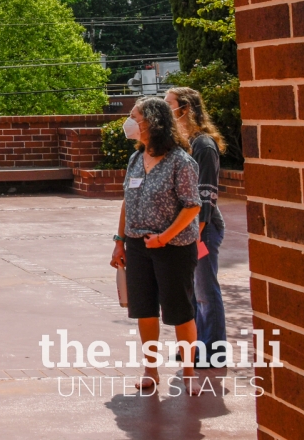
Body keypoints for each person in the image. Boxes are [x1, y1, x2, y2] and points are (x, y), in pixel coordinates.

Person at [109, 97, 203, 390]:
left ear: (151, 121)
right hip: (138, 246)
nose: (129, 121)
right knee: (144, 310)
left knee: (180, 311)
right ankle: (151, 371)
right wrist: (119, 241)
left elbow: (192, 206)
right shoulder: (136, 159)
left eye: (134, 116)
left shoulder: (180, 161)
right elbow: (128, 201)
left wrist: (164, 237)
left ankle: (189, 374)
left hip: (173, 248)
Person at [167, 86, 227, 362]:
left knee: (204, 291)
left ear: (186, 108)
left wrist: (197, 234)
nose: (167, 109)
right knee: (190, 291)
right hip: (186, 229)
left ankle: (212, 350)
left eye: (170, 104)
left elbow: (206, 194)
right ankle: (193, 346)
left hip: (202, 229)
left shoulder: (203, 145)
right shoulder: (182, 143)